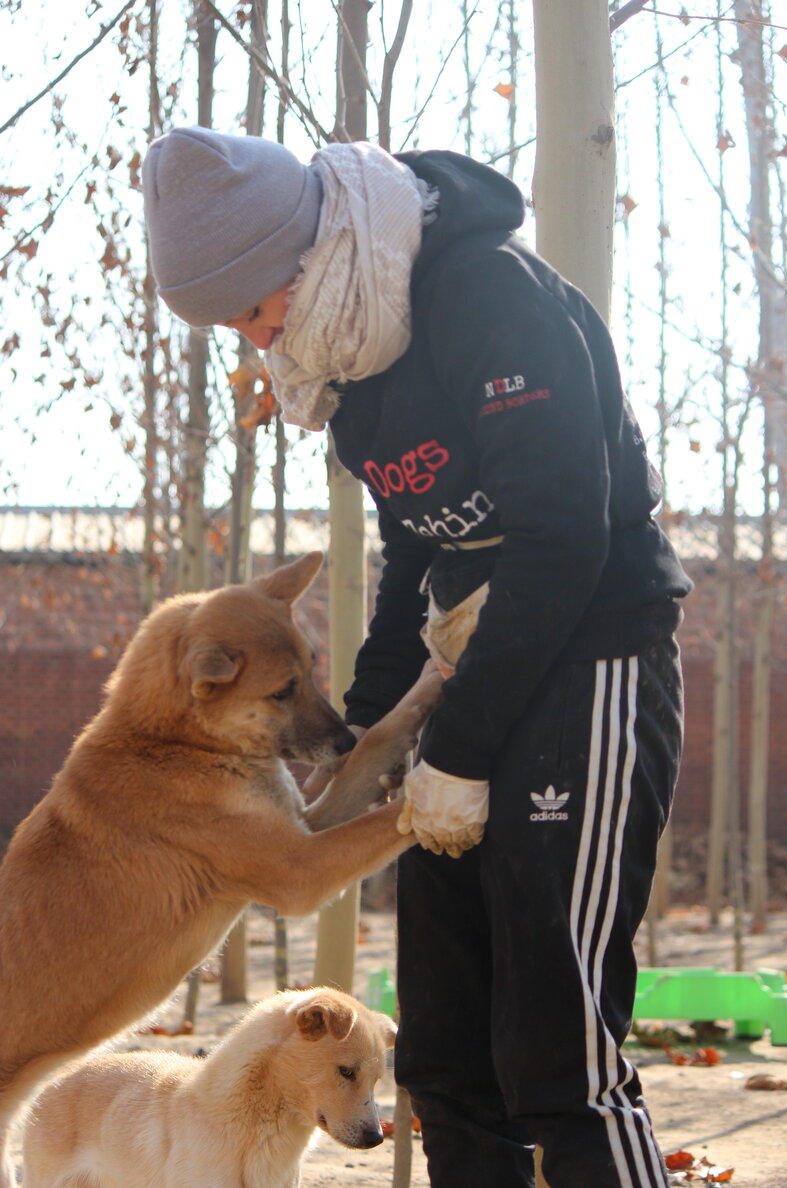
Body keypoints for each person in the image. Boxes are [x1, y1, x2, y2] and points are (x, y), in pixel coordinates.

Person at [142, 126, 693, 1188]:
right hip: (467, 665)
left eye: (256, 303)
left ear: (309, 251)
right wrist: (358, 744)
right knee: (440, 1049)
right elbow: (416, 554)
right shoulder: (354, 364)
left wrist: (468, 746)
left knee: (556, 1048)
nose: (259, 335)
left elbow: (563, 532)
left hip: (592, 649)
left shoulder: (487, 295)